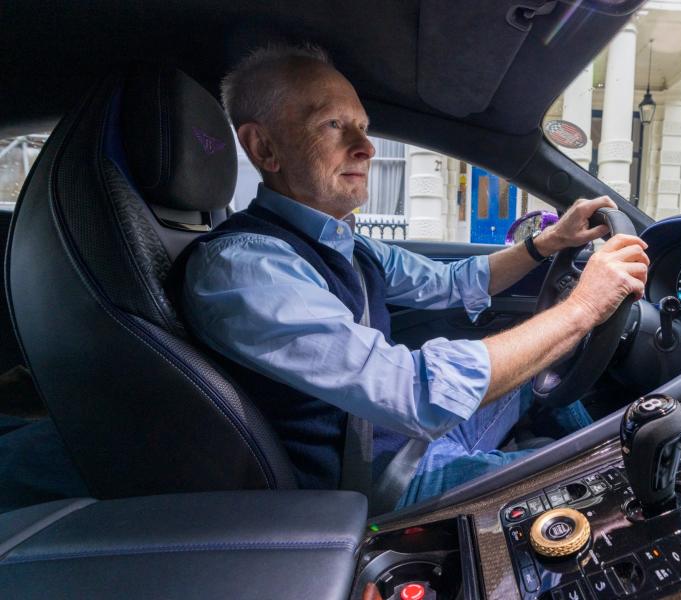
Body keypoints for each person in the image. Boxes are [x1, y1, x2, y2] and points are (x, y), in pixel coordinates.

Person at [173, 44, 650, 508]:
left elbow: (452, 282)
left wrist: (546, 244)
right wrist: (585, 307)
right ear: (264, 147)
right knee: (608, 484)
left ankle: (591, 453)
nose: (365, 147)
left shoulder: (346, 244)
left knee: (540, 374)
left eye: (362, 126)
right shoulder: (245, 267)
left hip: (405, 441)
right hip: (380, 483)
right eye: (333, 124)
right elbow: (414, 393)